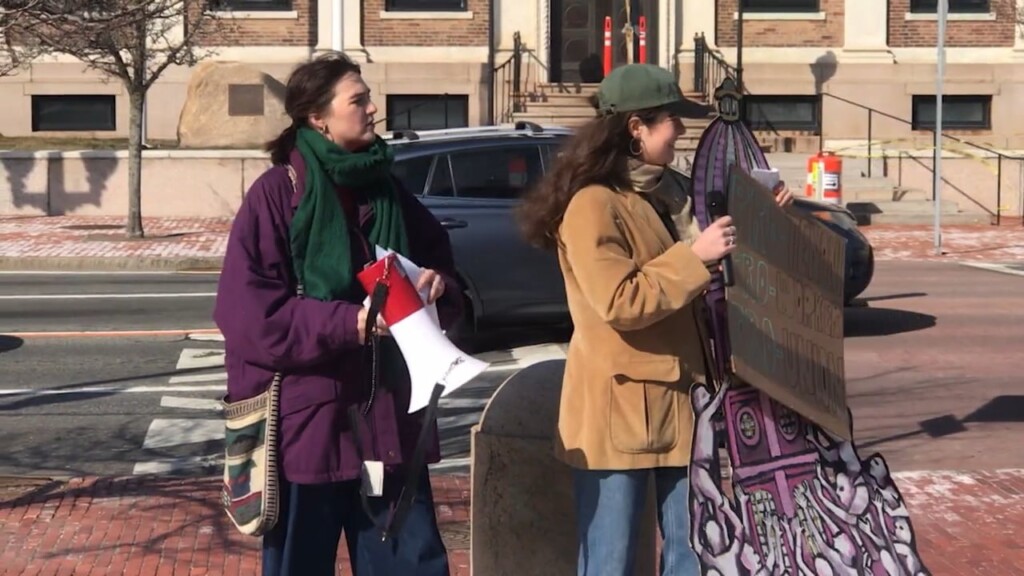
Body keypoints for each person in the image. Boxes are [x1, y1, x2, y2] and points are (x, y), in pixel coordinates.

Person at [517, 63, 789, 576]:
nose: (682, 132)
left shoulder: (674, 194)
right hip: (619, 410)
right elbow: (619, 301)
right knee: (611, 558)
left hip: (687, 403)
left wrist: (766, 219)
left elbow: (723, 275)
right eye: (671, 121)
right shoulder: (594, 204)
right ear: (636, 128)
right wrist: (695, 256)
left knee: (696, 552)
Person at [213, 52, 461, 576]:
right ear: (317, 117)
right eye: (359, 100)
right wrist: (346, 324)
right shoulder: (277, 195)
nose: (374, 109)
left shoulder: (388, 189)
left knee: (412, 563)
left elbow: (440, 263)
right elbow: (250, 316)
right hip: (308, 427)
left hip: (389, 420)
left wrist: (438, 284)